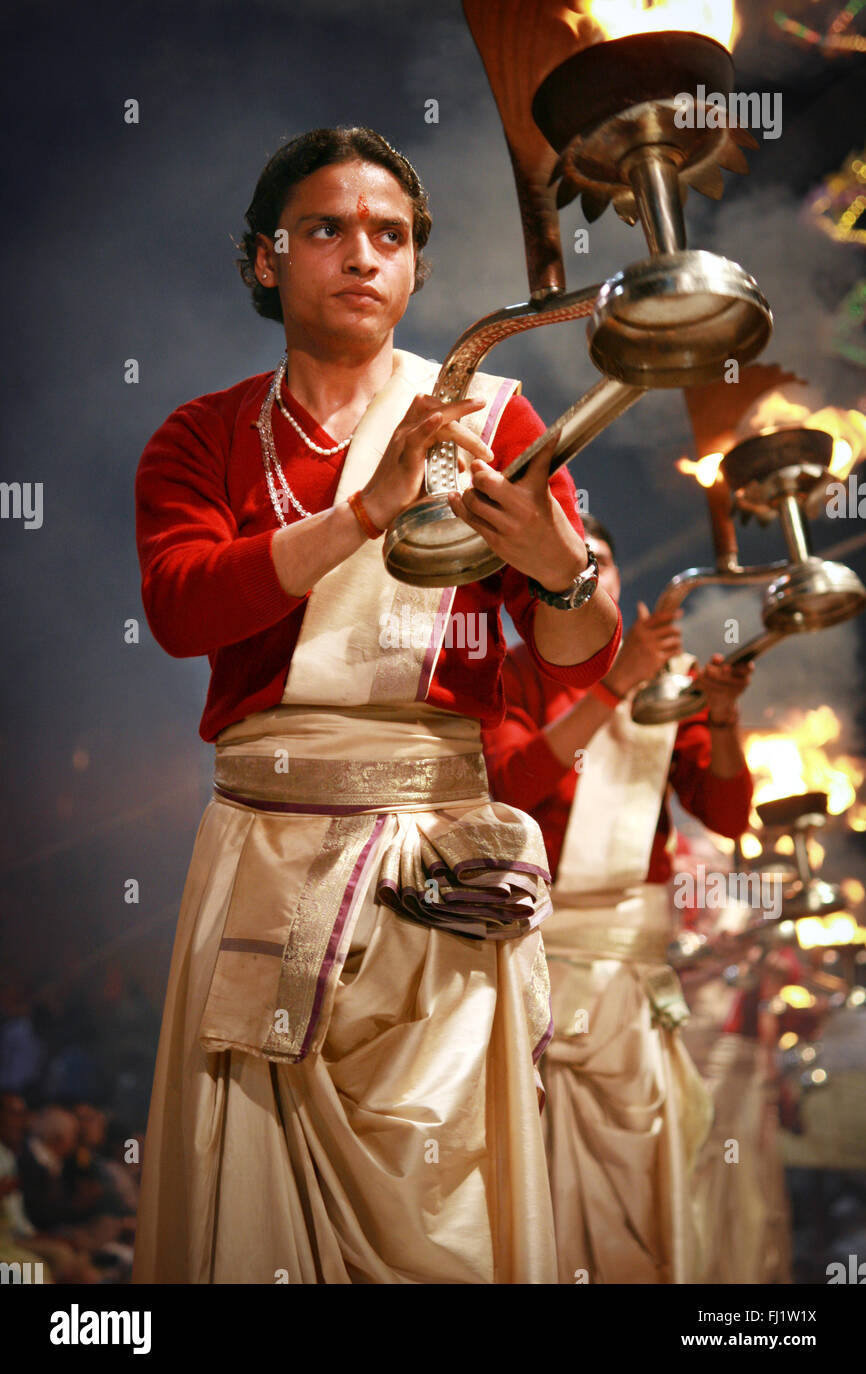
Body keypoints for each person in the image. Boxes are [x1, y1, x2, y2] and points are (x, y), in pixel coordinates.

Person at [131, 127, 621, 1284]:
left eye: (390, 236)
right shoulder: (198, 434)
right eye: (326, 229)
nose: (362, 254)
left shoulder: (487, 422)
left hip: (433, 875)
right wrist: (366, 510)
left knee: (444, 1219)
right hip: (263, 855)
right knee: (253, 1214)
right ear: (264, 260)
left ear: (415, 271)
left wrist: (561, 572)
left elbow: (574, 654)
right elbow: (180, 610)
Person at [483, 513, 755, 1283]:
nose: (583, 581)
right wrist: (616, 685)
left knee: (639, 1166)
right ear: (531, 590)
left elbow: (727, 816)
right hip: (534, 965)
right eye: (563, 569)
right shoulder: (508, 675)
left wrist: (724, 713)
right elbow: (514, 785)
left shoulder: (674, 685)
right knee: (532, 1166)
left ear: (616, 581)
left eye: (595, 563)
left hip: (631, 974)